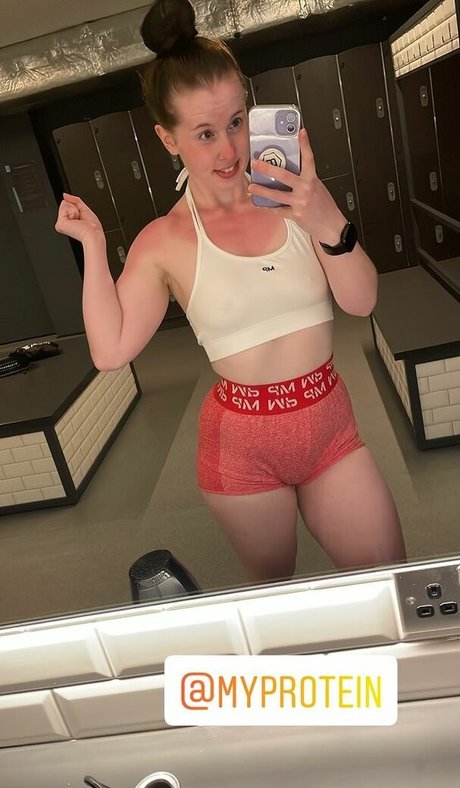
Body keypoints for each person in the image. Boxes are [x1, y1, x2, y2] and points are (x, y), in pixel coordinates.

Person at [55, 0, 406, 583]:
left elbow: (362, 301)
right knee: (273, 592)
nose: (228, 150)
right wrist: (92, 244)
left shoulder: (296, 196)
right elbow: (110, 350)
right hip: (242, 445)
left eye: (237, 123)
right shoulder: (163, 241)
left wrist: (324, 218)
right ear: (168, 138)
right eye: (205, 133)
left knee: (392, 580)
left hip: (329, 425)